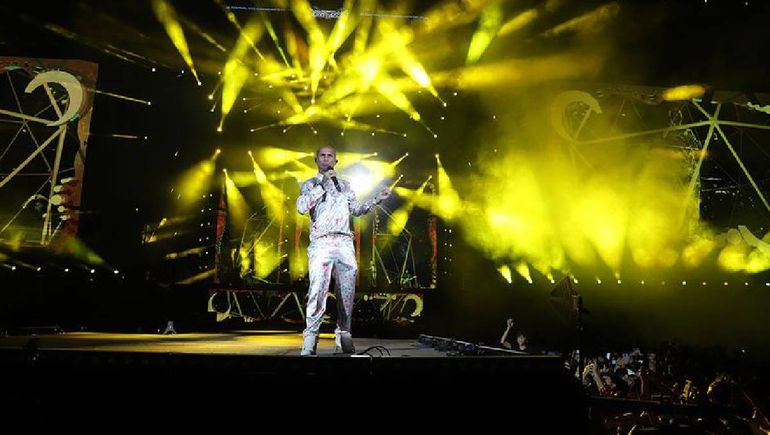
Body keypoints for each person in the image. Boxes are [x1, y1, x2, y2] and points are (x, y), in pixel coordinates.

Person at [296, 145, 390, 355]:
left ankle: (344, 335)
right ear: (316, 159)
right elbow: (302, 207)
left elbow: (356, 210)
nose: (326, 159)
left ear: (336, 162)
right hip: (321, 242)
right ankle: (310, 339)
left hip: (344, 242)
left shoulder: (346, 186)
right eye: (323, 155)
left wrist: (376, 200)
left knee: (347, 293)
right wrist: (324, 183)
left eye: (330, 156)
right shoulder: (310, 184)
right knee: (317, 291)